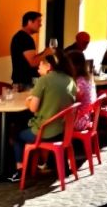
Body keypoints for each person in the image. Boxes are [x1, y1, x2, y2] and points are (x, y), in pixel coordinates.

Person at [9, 52, 77, 182]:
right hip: (63, 130)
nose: (38, 67)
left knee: (15, 133)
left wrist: (28, 101)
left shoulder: (44, 80)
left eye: (40, 64)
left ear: (49, 66)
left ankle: (20, 170)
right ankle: (40, 162)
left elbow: (33, 108)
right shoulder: (70, 79)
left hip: (45, 132)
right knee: (24, 124)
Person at [10, 11, 53, 89]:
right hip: (24, 83)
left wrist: (44, 52)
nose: (40, 24)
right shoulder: (25, 38)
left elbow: (30, 59)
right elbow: (33, 62)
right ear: (30, 22)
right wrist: (46, 54)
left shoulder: (21, 37)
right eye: (38, 21)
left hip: (22, 82)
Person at [66, 51, 95, 132]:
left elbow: (71, 100)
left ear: (74, 66)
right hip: (86, 116)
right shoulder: (86, 78)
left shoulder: (80, 82)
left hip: (79, 120)